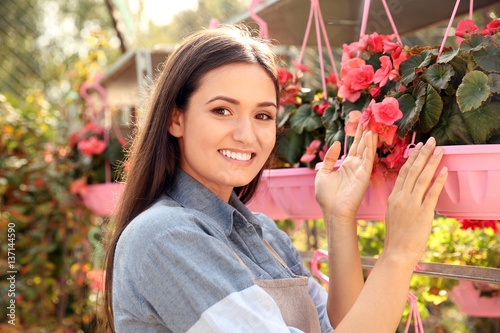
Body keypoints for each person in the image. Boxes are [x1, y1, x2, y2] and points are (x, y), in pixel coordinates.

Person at [102, 25, 448, 333]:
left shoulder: (265, 234)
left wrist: (339, 217)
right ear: (175, 118)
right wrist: (398, 254)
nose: (246, 134)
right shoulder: (165, 236)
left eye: (263, 115)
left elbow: (339, 327)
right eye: (222, 110)